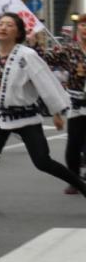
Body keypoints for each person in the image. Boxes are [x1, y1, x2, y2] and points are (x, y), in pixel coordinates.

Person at [0, 12, 86, 213]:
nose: (3, 28)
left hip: (26, 117)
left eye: (9, 25)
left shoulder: (27, 56)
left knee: (42, 162)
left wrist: (56, 112)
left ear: (18, 32)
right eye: (0, 24)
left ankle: (81, 185)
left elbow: (45, 82)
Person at [42, 14, 86, 189]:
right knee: (74, 142)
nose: (85, 28)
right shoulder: (69, 49)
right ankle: (74, 179)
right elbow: (44, 60)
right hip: (76, 101)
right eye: (82, 25)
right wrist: (33, 42)